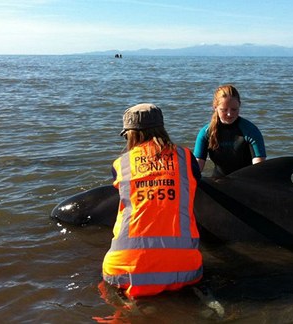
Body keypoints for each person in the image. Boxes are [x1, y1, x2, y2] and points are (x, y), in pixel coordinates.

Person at [102, 103, 203, 299]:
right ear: (162, 129)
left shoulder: (120, 164)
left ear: (131, 134)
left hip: (125, 272)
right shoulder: (186, 157)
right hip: (185, 270)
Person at [194, 84, 266, 177]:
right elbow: (197, 166)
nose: (229, 114)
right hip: (218, 182)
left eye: (234, 109)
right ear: (215, 107)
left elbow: (259, 168)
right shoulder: (206, 132)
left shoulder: (250, 131)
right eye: (224, 110)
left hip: (246, 182)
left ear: (239, 105)